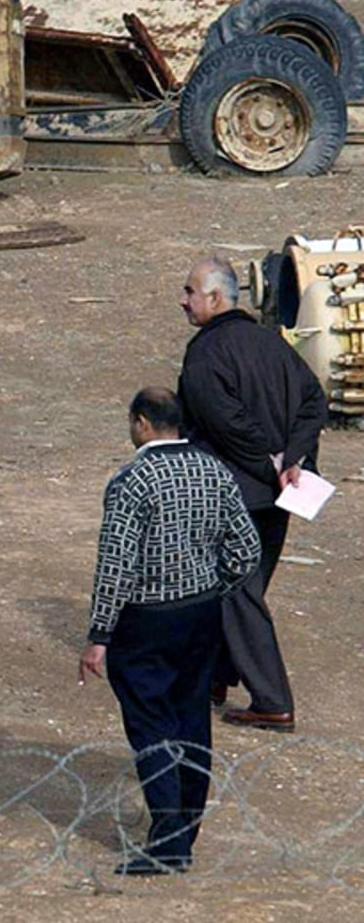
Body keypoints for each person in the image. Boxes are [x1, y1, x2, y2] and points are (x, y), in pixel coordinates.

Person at [79, 387, 260, 875]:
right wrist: (214, 587)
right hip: (201, 613)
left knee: (151, 726)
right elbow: (246, 548)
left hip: (147, 619)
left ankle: (168, 842)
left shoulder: (133, 480)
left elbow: (116, 564)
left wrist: (99, 634)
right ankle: (185, 831)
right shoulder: (213, 470)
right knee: (191, 719)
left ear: (141, 422)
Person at [177, 257, 326, 733]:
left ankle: (272, 700)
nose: (183, 301)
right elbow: (313, 401)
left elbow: (226, 423)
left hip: (235, 494)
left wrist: (273, 464)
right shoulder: (272, 343)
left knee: (236, 594)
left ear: (215, 297)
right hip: (280, 496)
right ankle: (215, 679)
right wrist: (294, 459)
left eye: (190, 292)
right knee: (245, 588)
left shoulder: (206, 354)